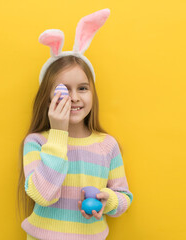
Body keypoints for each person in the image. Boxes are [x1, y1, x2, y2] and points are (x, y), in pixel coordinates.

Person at [16, 9, 133, 240]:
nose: (75, 97)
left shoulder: (107, 145)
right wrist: (58, 133)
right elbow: (43, 195)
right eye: (63, 90)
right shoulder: (37, 142)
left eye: (82, 88)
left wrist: (107, 199)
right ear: (48, 98)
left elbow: (124, 197)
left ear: (92, 92)